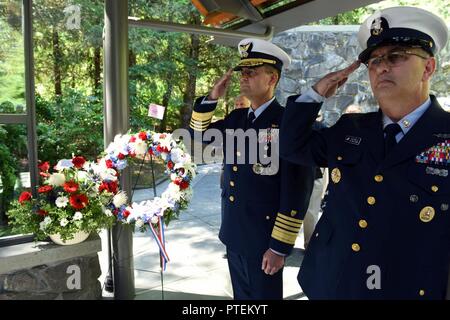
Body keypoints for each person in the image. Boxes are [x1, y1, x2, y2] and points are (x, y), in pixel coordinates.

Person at [280, 6, 450, 299]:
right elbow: (291, 146)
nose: (381, 67)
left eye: (396, 56)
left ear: (428, 67)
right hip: (332, 282)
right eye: (373, 60)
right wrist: (316, 93)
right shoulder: (351, 128)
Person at [189, 38, 314, 299]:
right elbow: (199, 135)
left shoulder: (287, 123)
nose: (243, 77)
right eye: (242, 72)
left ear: (272, 79)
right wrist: (212, 98)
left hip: (263, 238)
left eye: (252, 72)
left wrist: (279, 247)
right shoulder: (237, 119)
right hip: (234, 233)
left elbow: (297, 190)